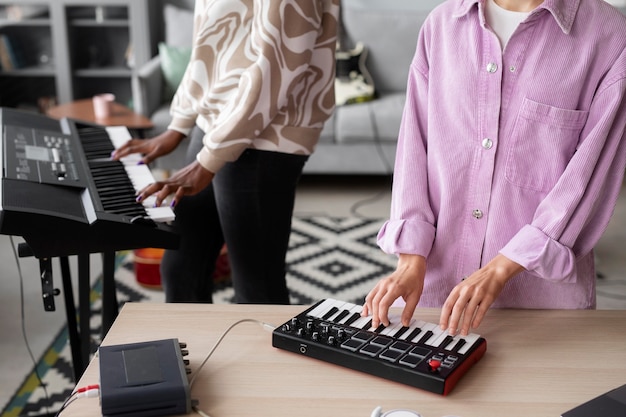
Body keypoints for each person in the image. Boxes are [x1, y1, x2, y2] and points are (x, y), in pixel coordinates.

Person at [362, 0, 626, 336]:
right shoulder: (441, 25)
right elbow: (414, 148)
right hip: (432, 297)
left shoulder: (609, 37)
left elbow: (589, 178)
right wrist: (411, 258)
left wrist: (501, 269)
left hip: (538, 310)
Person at [113, 0, 339, 303]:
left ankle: (264, 350)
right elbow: (210, 43)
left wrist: (209, 160)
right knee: (181, 266)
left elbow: (277, 64)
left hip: (266, 135)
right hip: (215, 125)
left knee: (256, 288)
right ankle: (193, 349)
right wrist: (179, 124)